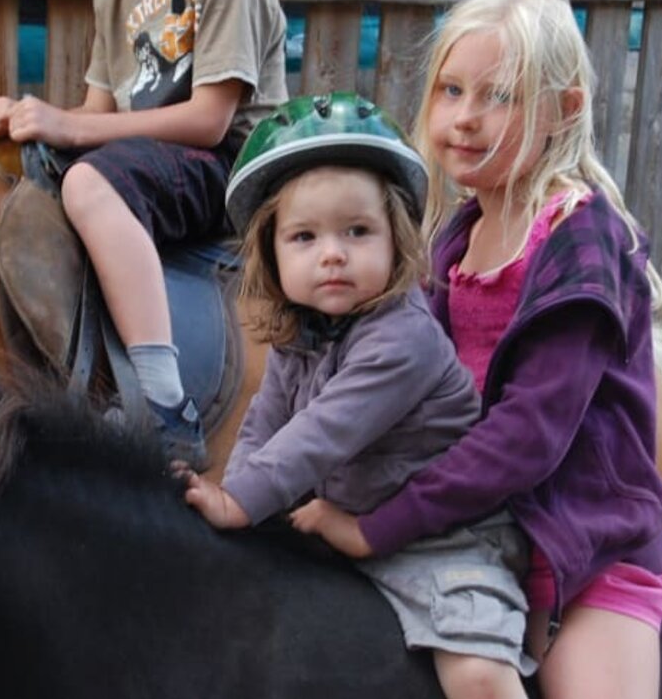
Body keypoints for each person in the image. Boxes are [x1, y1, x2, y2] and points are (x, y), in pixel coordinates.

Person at [291, 0, 662, 699]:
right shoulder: (454, 239)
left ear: (566, 110)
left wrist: (378, 527)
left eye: (499, 96)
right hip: (478, 530)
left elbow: (527, 436)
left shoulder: (582, 242)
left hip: (584, 547)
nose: (464, 118)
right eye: (450, 90)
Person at [0, 0, 288, 468]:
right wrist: (30, 127)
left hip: (229, 170)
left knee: (92, 181)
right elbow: (97, 112)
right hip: (148, 168)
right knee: (50, 182)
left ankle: (164, 403)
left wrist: (73, 130)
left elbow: (209, 119)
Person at [183, 92, 535, 699]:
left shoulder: (403, 339)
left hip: (443, 542)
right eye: (304, 237)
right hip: (344, 526)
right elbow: (265, 423)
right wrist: (239, 518)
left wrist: (239, 501)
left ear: (397, 240)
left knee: (477, 674)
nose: (333, 254)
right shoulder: (301, 333)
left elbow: (321, 433)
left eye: (357, 231)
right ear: (269, 252)